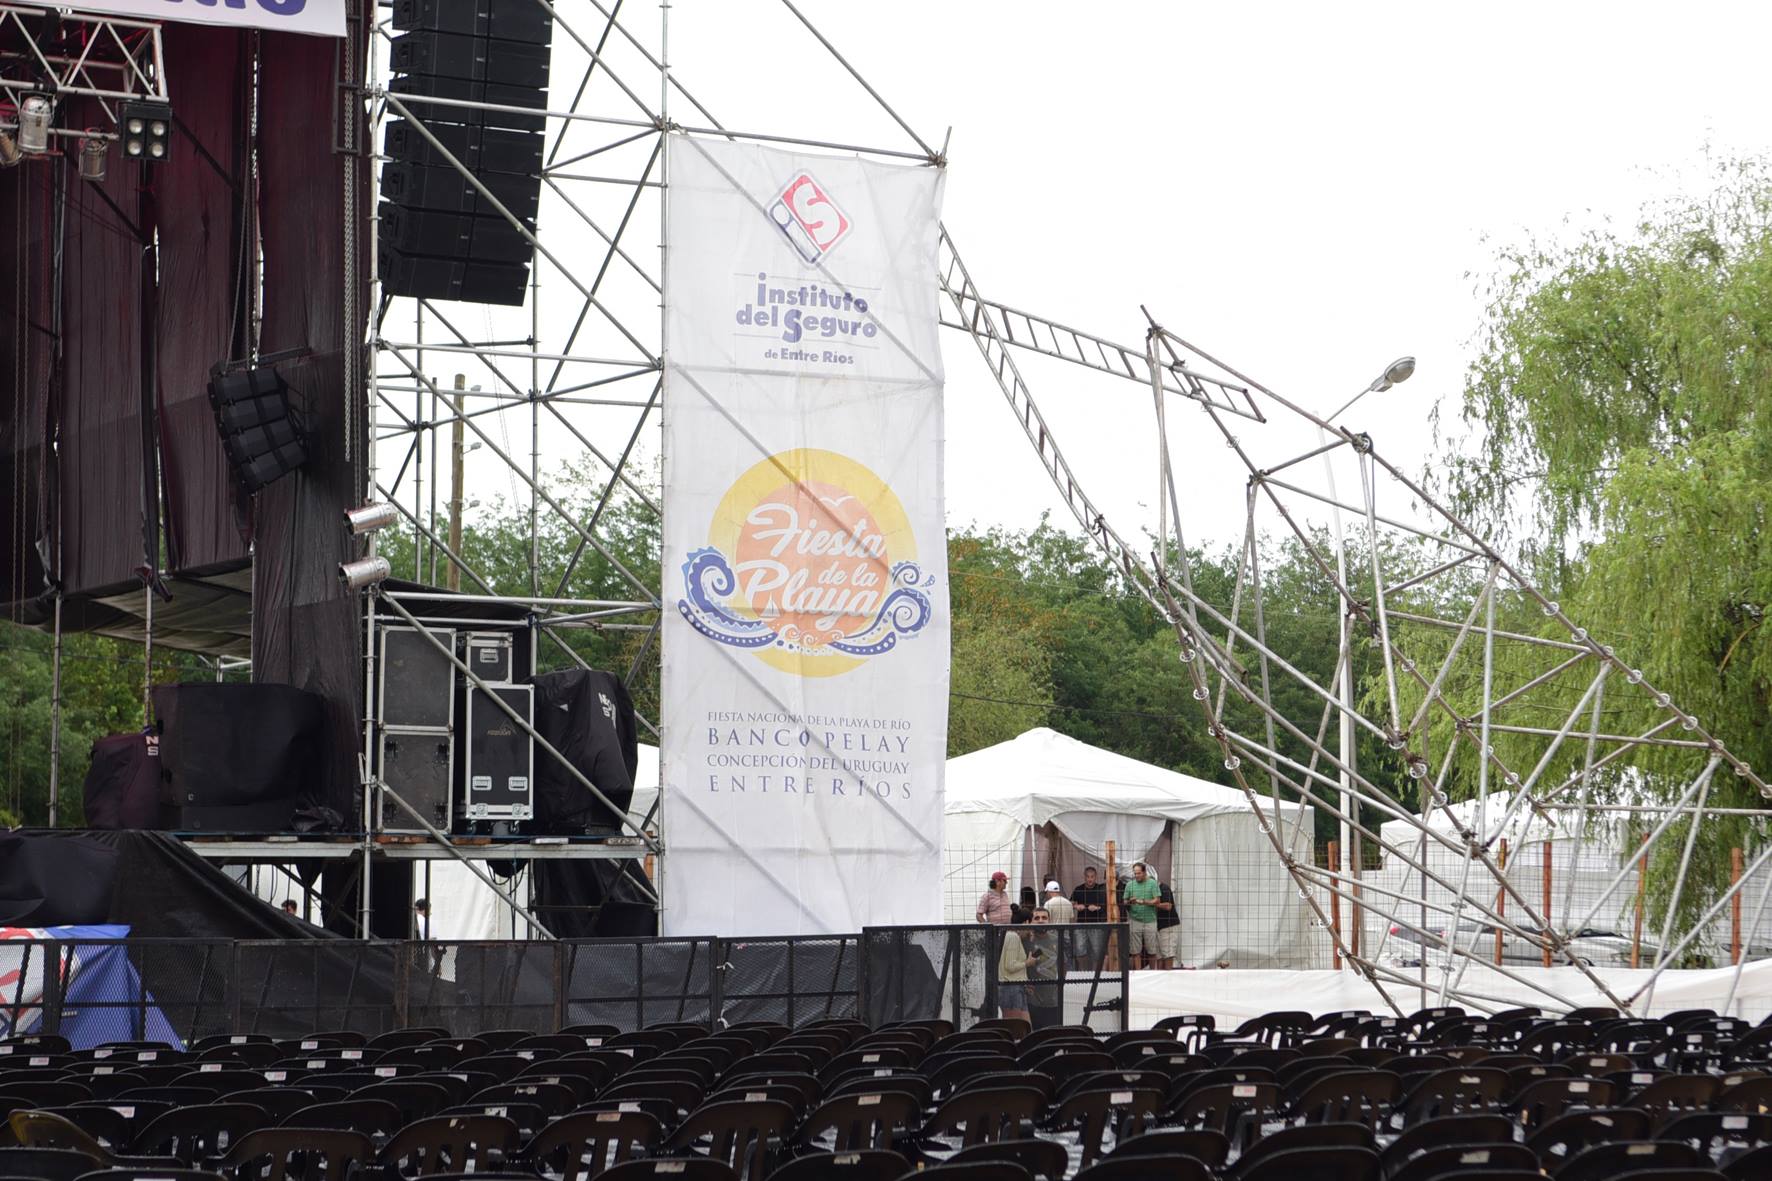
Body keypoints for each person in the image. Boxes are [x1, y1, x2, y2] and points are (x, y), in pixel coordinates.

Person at [997, 921, 1043, 1024]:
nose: (1030, 931)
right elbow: (1010, 966)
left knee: (1025, 1027)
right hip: (1010, 987)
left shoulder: (1008, 936)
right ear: (1026, 922)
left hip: (1017, 986)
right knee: (1014, 1027)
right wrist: (1027, 963)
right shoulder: (1013, 937)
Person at [1025, 907, 1063, 1028]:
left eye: (1044, 918)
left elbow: (1064, 964)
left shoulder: (1057, 939)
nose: (1041, 920)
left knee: (1052, 1036)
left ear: (1049, 920)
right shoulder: (1025, 941)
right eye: (1037, 918)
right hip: (1032, 1000)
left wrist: (1061, 984)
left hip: (1053, 1000)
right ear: (1031, 921)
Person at [1123, 861, 1161, 970]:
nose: (1136, 875)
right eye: (1135, 873)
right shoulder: (1129, 885)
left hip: (1150, 920)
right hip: (1135, 920)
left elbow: (1157, 901)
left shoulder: (1152, 883)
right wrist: (1130, 901)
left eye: (1139, 873)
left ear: (1144, 872)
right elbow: (1124, 902)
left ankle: (1153, 971)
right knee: (1135, 951)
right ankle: (1138, 973)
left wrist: (1143, 902)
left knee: (1152, 950)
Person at [1070, 866, 1107, 967]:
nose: (1090, 879)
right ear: (1084, 877)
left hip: (1096, 925)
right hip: (1081, 924)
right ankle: (1084, 973)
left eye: (1092, 877)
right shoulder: (1078, 889)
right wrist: (1077, 906)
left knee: (1097, 952)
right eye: (1088, 876)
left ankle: (1095, 974)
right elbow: (1071, 903)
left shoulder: (1101, 889)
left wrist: (1097, 908)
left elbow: (1107, 907)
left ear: (1096, 877)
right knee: (1080, 950)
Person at [1155, 879, 1180, 969]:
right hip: (1158, 926)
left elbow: (1168, 906)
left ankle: (1168, 975)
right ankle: (1160, 975)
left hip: (1168, 925)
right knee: (1159, 955)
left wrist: (1152, 903)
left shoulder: (1164, 888)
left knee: (1168, 953)